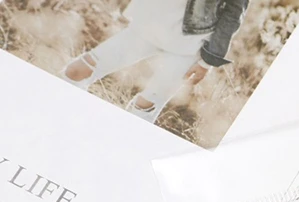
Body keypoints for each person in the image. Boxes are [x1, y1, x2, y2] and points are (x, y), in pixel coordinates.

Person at [62, 0, 249, 121]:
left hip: (188, 45)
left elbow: (233, 15)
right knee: (75, 72)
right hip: (146, 28)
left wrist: (207, 61)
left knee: (144, 109)